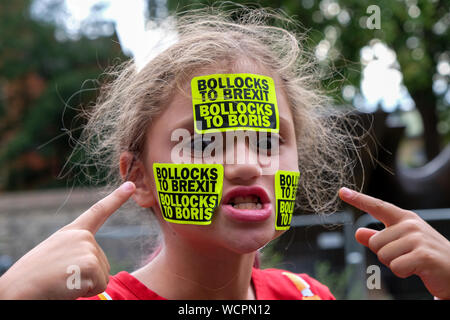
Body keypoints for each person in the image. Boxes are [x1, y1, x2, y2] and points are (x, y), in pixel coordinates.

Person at [0, 6, 449, 300]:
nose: (247, 163)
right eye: (201, 143)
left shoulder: (307, 295)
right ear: (138, 177)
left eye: (270, 140)